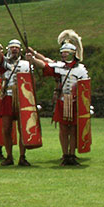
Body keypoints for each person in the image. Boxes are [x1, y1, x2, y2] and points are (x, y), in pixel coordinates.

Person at [27, 30, 89, 166]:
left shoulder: (81, 69)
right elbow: (45, 65)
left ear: (73, 53)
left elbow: (85, 89)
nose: (63, 54)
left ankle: (72, 155)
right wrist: (32, 59)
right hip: (62, 101)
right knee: (63, 129)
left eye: (66, 52)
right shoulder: (59, 67)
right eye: (62, 52)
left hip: (74, 103)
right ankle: (65, 154)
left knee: (73, 130)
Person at [0, 28, 31, 166]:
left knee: (22, 129)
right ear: (8, 49)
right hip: (7, 96)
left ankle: (22, 156)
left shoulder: (26, 64)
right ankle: (9, 156)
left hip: (22, 98)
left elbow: (31, 82)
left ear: (20, 50)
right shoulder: (4, 63)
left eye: (16, 48)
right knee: (6, 128)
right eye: (12, 48)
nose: (14, 50)